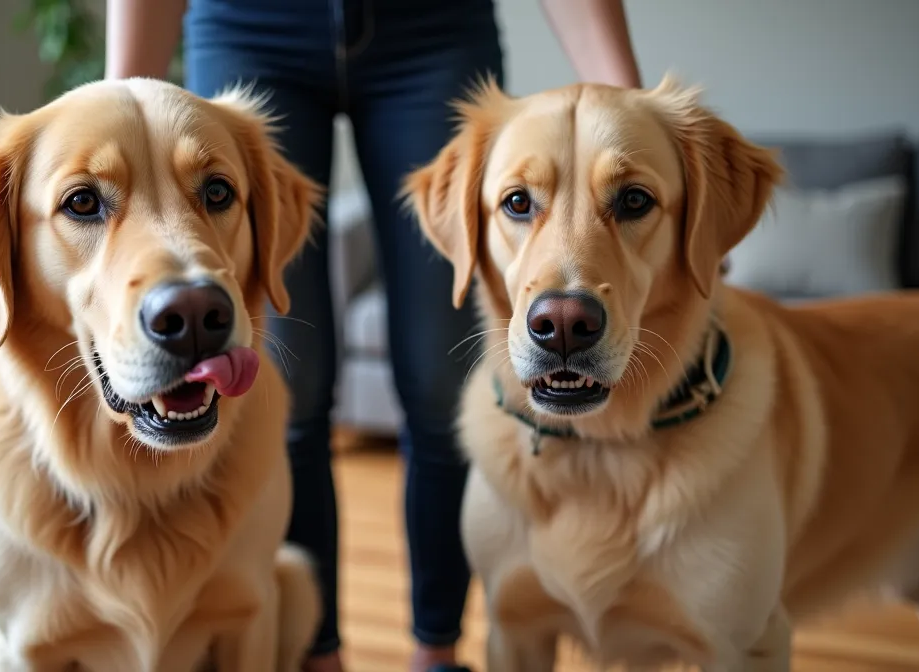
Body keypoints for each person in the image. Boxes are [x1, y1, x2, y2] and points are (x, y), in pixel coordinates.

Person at [105, 1, 640, 670]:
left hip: (433, 29)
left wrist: (638, 118)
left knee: (444, 383)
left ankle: (436, 652)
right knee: (283, 386)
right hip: (248, 25)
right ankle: (316, 655)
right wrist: (117, 99)